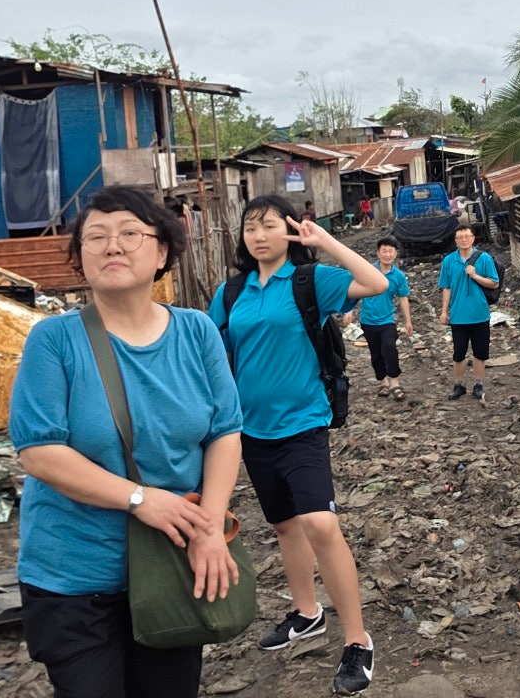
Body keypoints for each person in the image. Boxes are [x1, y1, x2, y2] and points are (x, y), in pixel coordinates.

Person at [10, 185, 243, 698]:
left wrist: (209, 528)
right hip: (74, 578)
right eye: (96, 237)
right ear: (80, 258)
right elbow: (39, 451)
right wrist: (139, 499)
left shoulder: (197, 331)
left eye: (129, 233)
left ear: (162, 251)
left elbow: (224, 431)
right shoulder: (53, 340)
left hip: (172, 561)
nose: (112, 246)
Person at [208, 194, 387, 695]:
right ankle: (306, 612)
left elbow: (377, 284)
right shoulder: (232, 292)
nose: (259, 235)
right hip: (249, 429)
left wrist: (324, 240)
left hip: (303, 423)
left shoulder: (311, 280)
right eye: (250, 227)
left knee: (320, 524)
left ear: (290, 230)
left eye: (269, 225)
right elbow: (209, 348)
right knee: (285, 526)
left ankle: (357, 639)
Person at [343, 235, 413, 399]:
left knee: (389, 348)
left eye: (391, 251)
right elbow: (355, 291)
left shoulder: (398, 276)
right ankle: (383, 382)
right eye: (384, 251)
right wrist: (349, 311)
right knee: (376, 353)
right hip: (368, 320)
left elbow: (403, 298)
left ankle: (394, 383)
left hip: (387, 320)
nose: (387, 254)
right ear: (378, 253)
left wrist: (408, 320)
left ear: (395, 254)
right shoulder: (368, 271)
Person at [438, 224, 499, 401]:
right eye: (460, 237)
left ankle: (478, 384)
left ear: (473, 238)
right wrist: (444, 312)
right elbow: (446, 288)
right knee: (458, 353)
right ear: (456, 240)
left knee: (480, 352)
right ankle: (459, 385)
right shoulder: (449, 261)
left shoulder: (484, 258)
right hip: (458, 315)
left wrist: (475, 275)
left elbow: (494, 283)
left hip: (480, 314)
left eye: (467, 236)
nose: (464, 240)